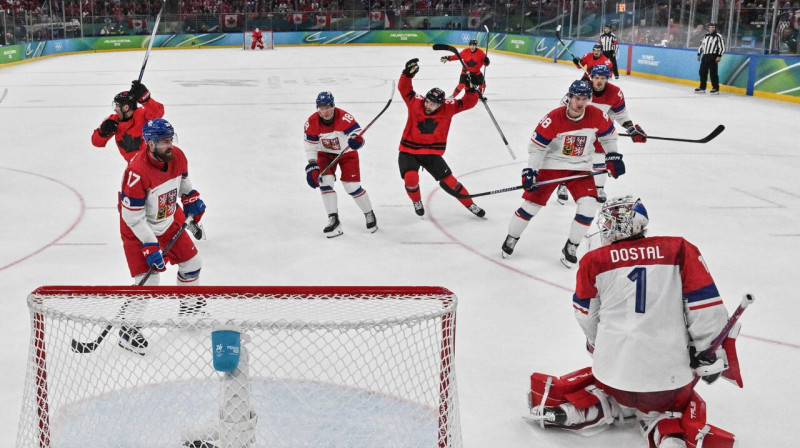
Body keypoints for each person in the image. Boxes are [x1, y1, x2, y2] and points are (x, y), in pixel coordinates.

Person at [525, 195, 742, 448]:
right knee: (674, 401)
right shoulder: (680, 249)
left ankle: (592, 407)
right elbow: (706, 307)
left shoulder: (592, 261)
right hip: (667, 381)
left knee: (616, 383)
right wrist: (707, 352)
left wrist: (599, 346)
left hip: (611, 375)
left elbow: (586, 315)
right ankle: (665, 429)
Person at [500, 80, 623, 266]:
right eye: (576, 98)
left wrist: (613, 155)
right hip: (551, 165)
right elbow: (537, 147)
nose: (579, 103)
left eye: (584, 98)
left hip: (580, 167)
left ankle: (571, 245)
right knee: (531, 204)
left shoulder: (597, 115)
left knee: (589, 206)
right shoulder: (553, 118)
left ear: (589, 99)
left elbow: (608, 136)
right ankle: (512, 237)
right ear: (569, 98)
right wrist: (531, 171)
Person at [118, 118, 207, 354]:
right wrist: (149, 244)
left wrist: (191, 199)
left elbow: (183, 182)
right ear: (150, 143)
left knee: (192, 263)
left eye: (170, 140)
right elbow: (132, 217)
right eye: (164, 142)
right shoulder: (136, 173)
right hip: (139, 229)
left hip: (167, 219)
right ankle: (128, 329)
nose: (170, 145)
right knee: (149, 281)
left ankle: (189, 310)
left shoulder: (177, 156)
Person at [398, 58, 485, 218]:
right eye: (428, 101)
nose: (428, 106)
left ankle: (470, 204)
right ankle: (416, 201)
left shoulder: (448, 107)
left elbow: (468, 103)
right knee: (411, 178)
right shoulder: (416, 102)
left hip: (431, 152)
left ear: (441, 104)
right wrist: (407, 75)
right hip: (409, 149)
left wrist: (471, 89)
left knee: (450, 181)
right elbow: (404, 89)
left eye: (433, 104)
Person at [555, 64, 646, 205]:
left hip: (601, 131)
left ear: (607, 79)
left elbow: (621, 115)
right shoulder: (582, 89)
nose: (599, 81)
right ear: (591, 78)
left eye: (603, 78)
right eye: (596, 77)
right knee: (572, 158)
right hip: (580, 130)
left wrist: (631, 129)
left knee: (600, 160)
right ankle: (563, 185)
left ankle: (599, 188)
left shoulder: (616, 93)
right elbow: (562, 107)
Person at [303, 91, 377, 237]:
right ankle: (334, 220)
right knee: (325, 182)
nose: (325, 111)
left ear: (333, 106)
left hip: (347, 154)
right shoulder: (311, 122)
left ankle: (369, 213)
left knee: (352, 187)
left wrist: (356, 140)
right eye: (321, 108)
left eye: (328, 107)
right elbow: (310, 147)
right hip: (324, 154)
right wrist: (312, 166)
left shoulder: (343, 117)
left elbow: (356, 134)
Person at [91, 80, 165, 163]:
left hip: (153, 163)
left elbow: (158, 112)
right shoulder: (113, 120)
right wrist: (102, 132)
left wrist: (146, 99)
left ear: (126, 107)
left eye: (117, 105)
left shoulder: (143, 114)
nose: (115, 109)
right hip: (134, 166)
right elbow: (96, 142)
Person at [696, 23, 725, 94]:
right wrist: (699, 54)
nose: (712, 28)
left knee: (713, 73)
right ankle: (702, 87)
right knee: (702, 72)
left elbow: (722, 47)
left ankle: (715, 88)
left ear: (715, 28)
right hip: (705, 56)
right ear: (708, 28)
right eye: (710, 27)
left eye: (713, 27)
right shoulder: (705, 36)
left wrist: (719, 56)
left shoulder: (718, 36)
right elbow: (701, 45)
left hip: (713, 56)